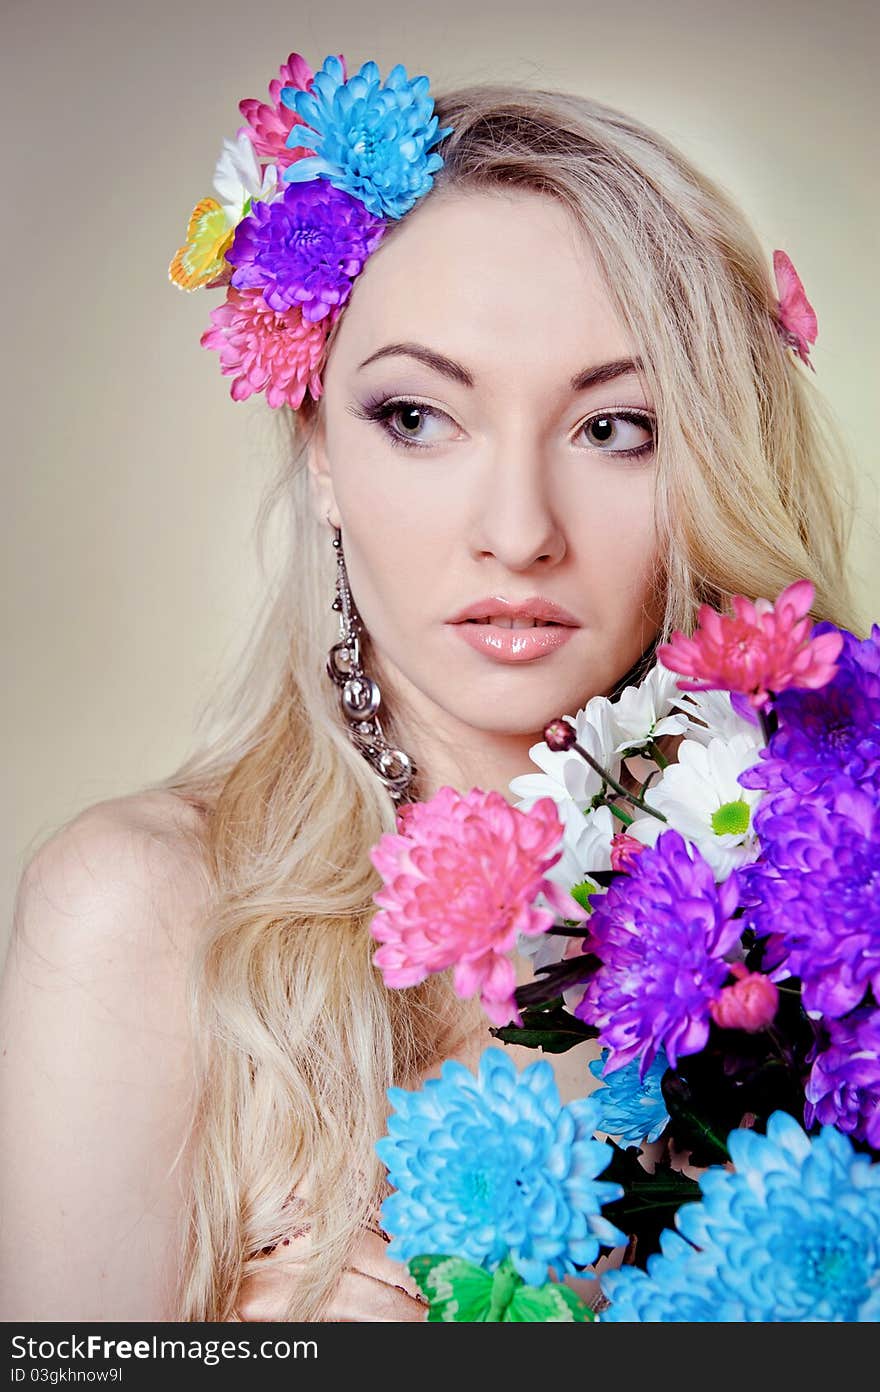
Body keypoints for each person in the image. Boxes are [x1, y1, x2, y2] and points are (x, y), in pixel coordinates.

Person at [0, 51, 860, 1323]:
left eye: (613, 427)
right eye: (418, 416)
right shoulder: (147, 916)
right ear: (323, 456)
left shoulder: (824, 914)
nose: (517, 531)